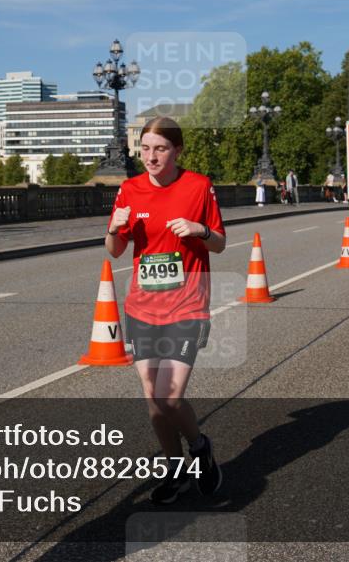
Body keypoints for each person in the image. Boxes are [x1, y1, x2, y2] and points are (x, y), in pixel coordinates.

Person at [105, 116, 225, 505]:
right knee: (152, 397)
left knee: (170, 396)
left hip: (187, 304)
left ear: (177, 151)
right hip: (142, 305)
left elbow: (221, 243)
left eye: (160, 149)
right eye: (145, 149)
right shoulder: (129, 189)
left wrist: (200, 230)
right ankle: (176, 471)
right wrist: (114, 228)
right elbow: (115, 250)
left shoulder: (198, 186)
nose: (151, 157)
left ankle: (199, 446)